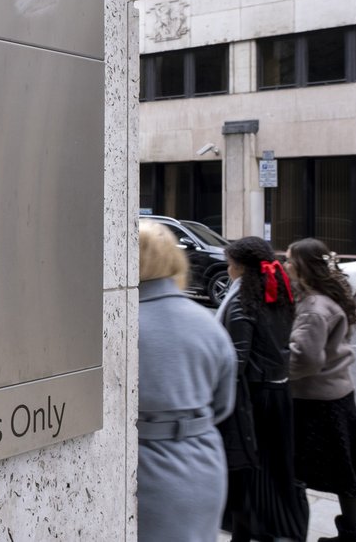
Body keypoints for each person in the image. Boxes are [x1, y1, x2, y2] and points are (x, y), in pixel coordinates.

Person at [136, 221, 237, 542]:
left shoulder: (120, 326)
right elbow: (223, 404)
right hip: (204, 462)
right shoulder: (206, 322)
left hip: (146, 468)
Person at [285, 238, 356, 542]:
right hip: (338, 394)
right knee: (344, 470)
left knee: (297, 471)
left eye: (289, 260)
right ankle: (351, 533)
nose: (285, 265)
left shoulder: (314, 307)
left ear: (302, 266)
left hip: (314, 399)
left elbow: (305, 359)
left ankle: (292, 531)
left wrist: (275, 365)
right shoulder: (332, 295)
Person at [216, 236, 308, 542]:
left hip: (254, 397)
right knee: (271, 472)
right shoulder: (279, 292)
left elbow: (236, 358)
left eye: (229, 264)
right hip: (279, 392)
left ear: (239, 266)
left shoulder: (244, 300)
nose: (227, 269)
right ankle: (264, 532)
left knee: (248, 471)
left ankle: (244, 535)